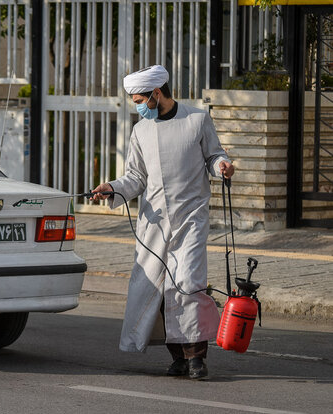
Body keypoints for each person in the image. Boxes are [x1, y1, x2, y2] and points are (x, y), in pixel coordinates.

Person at [92, 65, 234, 380]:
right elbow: (135, 177)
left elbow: (214, 156)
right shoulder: (140, 131)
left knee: (186, 285)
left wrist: (222, 165)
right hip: (153, 223)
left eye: (140, 99)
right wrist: (112, 188)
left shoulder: (197, 119)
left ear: (157, 93)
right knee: (151, 289)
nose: (137, 106)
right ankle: (177, 356)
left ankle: (196, 357)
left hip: (190, 218)